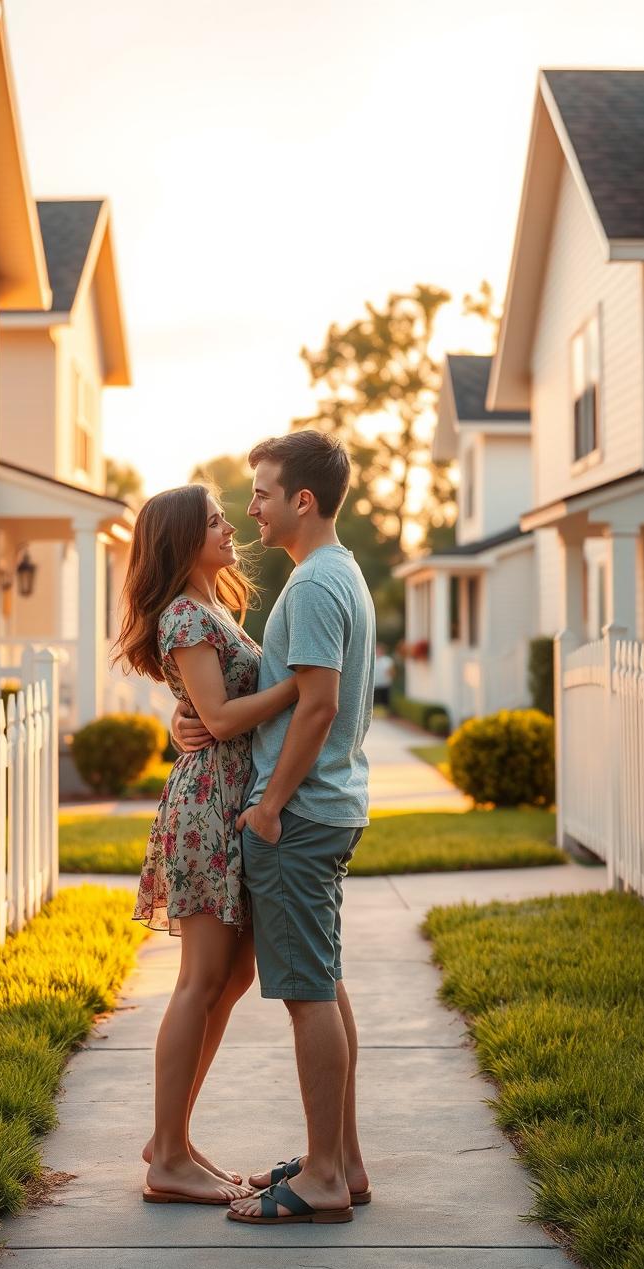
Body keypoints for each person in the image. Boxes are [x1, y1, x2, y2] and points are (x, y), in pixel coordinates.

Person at [172, 430, 375, 1226]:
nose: (248, 506)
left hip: (298, 815)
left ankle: (324, 1176)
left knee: (305, 995)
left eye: (260, 492)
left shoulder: (316, 586)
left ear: (302, 500)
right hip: (323, 809)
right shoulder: (333, 574)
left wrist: (266, 807)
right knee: (321, 981)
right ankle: (345, 1162)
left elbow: (317, 704)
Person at [113, 483, 298, 1207]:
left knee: (231, 979)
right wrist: (301, 690)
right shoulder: (188, 614)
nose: (230, 528)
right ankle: (167, 1162)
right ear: (184, 538)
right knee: (198, 981)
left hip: (227, 803)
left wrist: (183, 719)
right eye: (215, 520)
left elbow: (200, 711)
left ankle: (172, 1141)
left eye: (225, 516)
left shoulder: (213, 606)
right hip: (207, 813)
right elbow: (219, 718)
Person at [373, 641, 395, 712]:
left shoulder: (388, 660)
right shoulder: (372, 659)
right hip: (374, 684)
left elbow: (392, 671)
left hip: (385, 684)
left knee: (385, 701)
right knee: (374, 701)